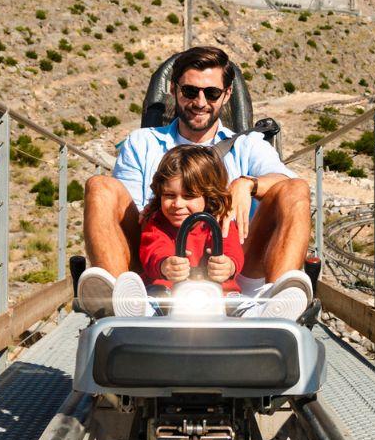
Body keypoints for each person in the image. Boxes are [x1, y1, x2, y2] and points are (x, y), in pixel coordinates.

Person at [79, 45, 313, 319]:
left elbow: (287, 183)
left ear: (226, 95)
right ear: (173, 90)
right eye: (190, 91)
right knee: (98, 186)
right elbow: (130, 212)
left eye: (211, 93)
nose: (200, 102)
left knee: (297, 189)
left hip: (234, 265)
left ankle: (272, 304)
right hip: (156, 270)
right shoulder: (142, 142)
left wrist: (246, 184)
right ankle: (124, 301)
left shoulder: (248, 145)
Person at [110, 144, 247, 316]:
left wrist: (229, 265)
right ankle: (140, 311)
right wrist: (165, 264)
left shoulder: (219, 223)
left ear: (208, 196)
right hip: (169, 296)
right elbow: (153, 250)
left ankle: (254, 312)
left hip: (219, 295)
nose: (177, 204)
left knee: (236, 300)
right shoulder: (157, 223)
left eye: (189, 196)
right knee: (155, 295)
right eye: (169, 195)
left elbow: (231, 248)